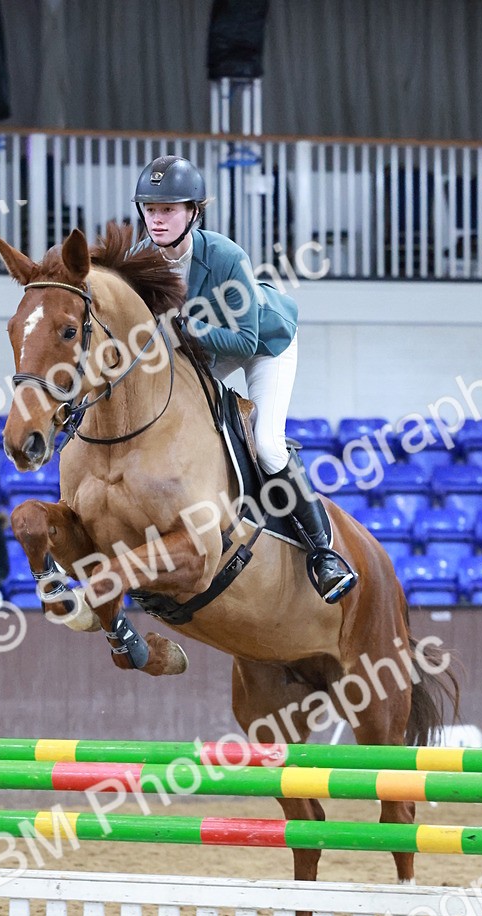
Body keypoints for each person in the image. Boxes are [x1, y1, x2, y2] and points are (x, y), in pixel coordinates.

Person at [132, 155, 357, 604]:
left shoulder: (226, 256)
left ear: (193, 211)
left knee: (268, 444)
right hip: (204, 351)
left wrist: (184, 328)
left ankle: (323, 553)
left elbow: (245, 339)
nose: (157, 219)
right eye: (150, 209)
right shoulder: (139, 260)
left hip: (264, 344)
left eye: (168, 209)